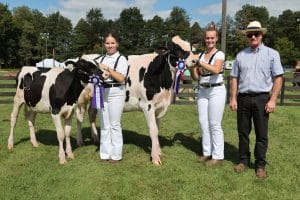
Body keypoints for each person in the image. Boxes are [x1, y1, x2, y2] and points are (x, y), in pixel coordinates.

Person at [229, 21, 284, 179]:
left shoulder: (272, 54)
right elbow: (234, 78)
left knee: (261, 134)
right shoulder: (240, 55)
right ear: (247, 37)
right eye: (250, 34)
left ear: (262, 35)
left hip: (261, 98)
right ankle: (243, 161)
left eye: (256, 34)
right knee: (243, 132)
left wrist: (272, 100)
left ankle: (260, 165)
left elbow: (278, 78)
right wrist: (233, 98)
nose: (253, 36)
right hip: (243, 98)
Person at [190, 24, 226, 166]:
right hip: (203, 90)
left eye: (212, 38)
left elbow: (216, 70)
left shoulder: (219, 54)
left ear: (216, 39)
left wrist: (199, 62)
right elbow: (195, 77)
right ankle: (207, 152)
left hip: (216, 90)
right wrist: (192, 67)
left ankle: (217, 156)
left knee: (214, 124)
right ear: (204, 39)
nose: (209, 40)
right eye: (207, 38)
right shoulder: (200, 55)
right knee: (203, 122)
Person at [96, 32, 129, 163]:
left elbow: (121, 78)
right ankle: (105, 153)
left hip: (116, 92)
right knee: (104, 124)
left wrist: (108, 69)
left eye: (112, 43)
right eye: (107, 43)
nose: (110, 46)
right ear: (104, 44)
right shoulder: (100, 59)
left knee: (115, 124)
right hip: (101, 91)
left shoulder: (121, 59)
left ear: (117, 44)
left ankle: (116, 155)